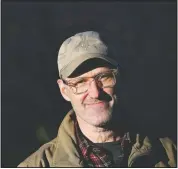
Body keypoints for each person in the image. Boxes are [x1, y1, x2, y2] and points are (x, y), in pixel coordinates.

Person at [18, 31, 177, 167]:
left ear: (119, 78)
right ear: (64, 90)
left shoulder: (170, 154)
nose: (95, 93)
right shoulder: (37, 165)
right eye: (80, 82)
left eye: (104, 77)